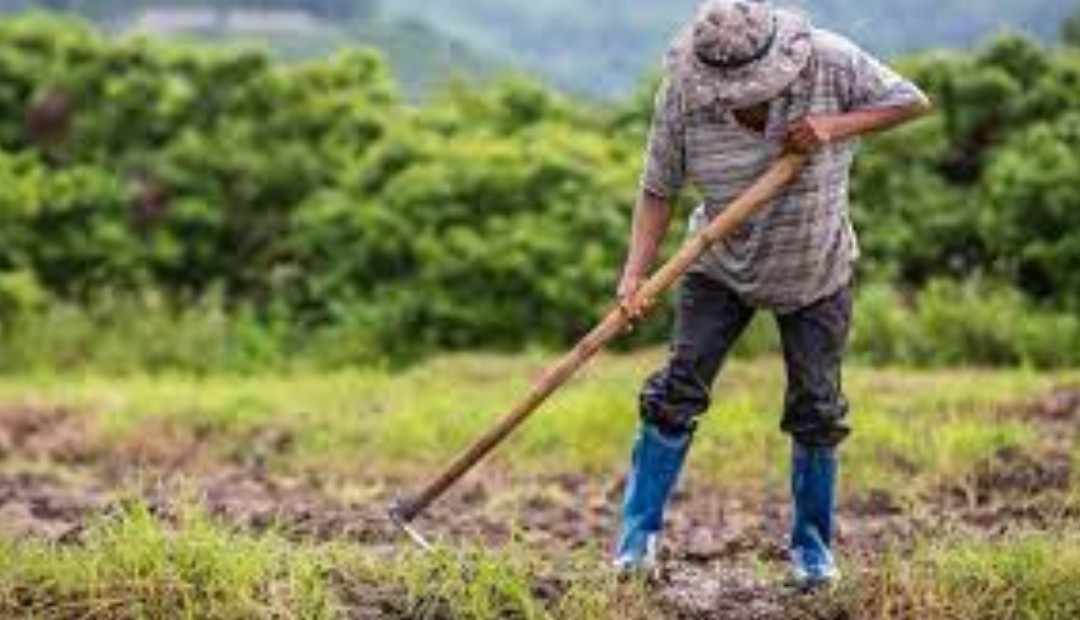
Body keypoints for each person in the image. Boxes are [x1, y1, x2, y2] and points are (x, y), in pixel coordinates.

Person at [613, 0, 932, 589]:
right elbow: (658, 187)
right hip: (718, 265)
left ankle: (812, 553)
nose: (735, 96)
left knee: (816, 408)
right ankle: (637, 543)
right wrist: (635, 275)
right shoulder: (684, 92)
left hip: (816, 266)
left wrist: (835, 127)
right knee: (676, 393)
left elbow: (911, 100)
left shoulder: (830, 63)